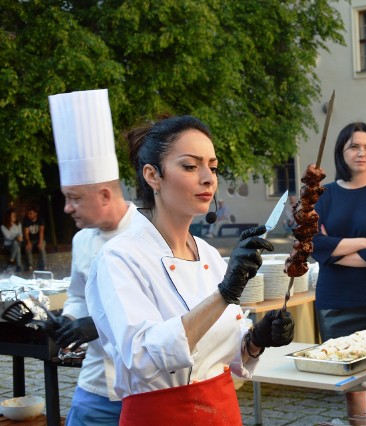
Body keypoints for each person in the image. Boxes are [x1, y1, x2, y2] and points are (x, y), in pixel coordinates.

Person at [85, 114, 294, 424]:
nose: (209, 178)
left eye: (213, 166)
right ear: (152, 176)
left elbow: (223, 354)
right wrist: (224, 295)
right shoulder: (120, 257)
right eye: (190, 166)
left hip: (222, 411)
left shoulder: (208, 254)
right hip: (160, 415)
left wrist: (256, 339)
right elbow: (142, 356)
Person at [40, 88, 139, 425]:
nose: (67, 208)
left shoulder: (151, 233)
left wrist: (95, 326)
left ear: (105, 194)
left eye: (74, 198)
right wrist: (69, 321)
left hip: (142, 386)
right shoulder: (82, 241)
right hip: (95, 383)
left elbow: (162, 310)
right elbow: (78, 294)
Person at [311, 122, 366, 425]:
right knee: (351, 384)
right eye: (354, 146)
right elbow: (314, 245)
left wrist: (334, 253)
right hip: (336, 300)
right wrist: (363, 243)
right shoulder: (325, 195)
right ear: (342, 151)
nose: (361, 153)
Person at [22, 205, 46, 271]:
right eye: (28, 214)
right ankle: (29, 265)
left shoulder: (40, 219)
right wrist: (28, 242)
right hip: (31, 240)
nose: (29, 215)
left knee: (42, 248)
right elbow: (26, 233)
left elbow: (41, 232)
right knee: (27, 248)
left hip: (39, 239)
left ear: (36, 214)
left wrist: (40, 242)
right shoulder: (26, 220)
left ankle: (43, 266)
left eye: (31, 214)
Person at [1, 207, 23, 272]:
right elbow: (8, 237)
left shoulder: (18, 224)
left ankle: (11, 260)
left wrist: (19, 237)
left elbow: (20, 234)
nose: (14, 217)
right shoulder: (3, 226)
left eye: (15, 215)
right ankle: (18, 266)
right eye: (13, 215)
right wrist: (16, 237)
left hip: (18, 242)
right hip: (8, 245)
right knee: (17, 246)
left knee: (16, 243)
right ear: (8, 216)